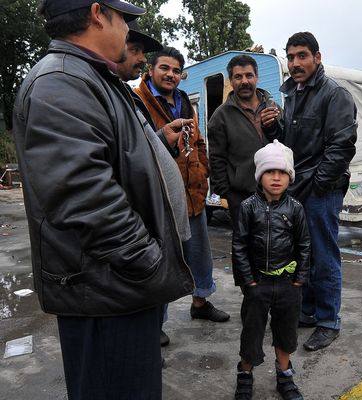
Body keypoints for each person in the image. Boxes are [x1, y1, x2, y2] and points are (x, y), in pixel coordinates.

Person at [13, 1, 195, 399]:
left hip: (119, 285)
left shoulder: (90, 76)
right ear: (97, 13)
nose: (129, 32)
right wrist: (147, 260)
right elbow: (81, 195)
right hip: (108, 289)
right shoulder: (60, 82)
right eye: (124, 19)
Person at [263, 32, 357, 351]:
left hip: (321, 190)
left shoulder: (334, 94)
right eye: (290, 57)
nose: (295, 63)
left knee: (324, 255)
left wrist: (317, 186)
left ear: (317, 57)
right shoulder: (294, 94)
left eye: (302, 56)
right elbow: (290, 142)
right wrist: (271, 128)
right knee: (307, 255)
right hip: (300, 187)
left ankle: (329, 320)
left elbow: (341, 146)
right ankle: (309, 311)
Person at [135, 46, 230, 324]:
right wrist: (161, 136)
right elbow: (134, 146)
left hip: (193, 192)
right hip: (159, 195)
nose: (171, 75)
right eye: (164, 68)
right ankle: (157, 322)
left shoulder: (184, 100)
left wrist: (203, 171)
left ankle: (200, 303)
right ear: (150, 70)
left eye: (176, 70)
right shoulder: (137, 100)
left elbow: (197, 141)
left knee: (200, 254)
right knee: (161, 261)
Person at [116, 20, 194, 347]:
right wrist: (139, 245)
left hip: (184, 203)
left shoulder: (120, 93)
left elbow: (141, 149)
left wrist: (164, 136)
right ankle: (150, 333)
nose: (140, 59)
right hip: (140, 227)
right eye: (133, 49)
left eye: (177, 70)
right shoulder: (128, 95)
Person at [232, 140, 310, 400]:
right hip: (258, 284)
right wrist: (248, 283)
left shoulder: (296, 209)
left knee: (286, 331)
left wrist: (299, 280)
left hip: (288, 284)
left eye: (282, 172)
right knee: (251, 332)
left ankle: (285, 376)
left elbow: (305, 245)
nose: (276, 178)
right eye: (269, 171)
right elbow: (239, 245)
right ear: (259, 175)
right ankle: (245, 373)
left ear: (290, 177)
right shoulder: (247, 207)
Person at [207, 54, 282, 229]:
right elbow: (216, 159)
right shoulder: (220, 116)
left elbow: (286, 145)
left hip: (277, 193)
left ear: (257, 77)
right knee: (247, 249)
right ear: (231, 81)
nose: (244, 81)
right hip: (242, 197)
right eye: (238, 77)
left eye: (249, 75)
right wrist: (228, 196)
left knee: (278, 245)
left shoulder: (274, 108)